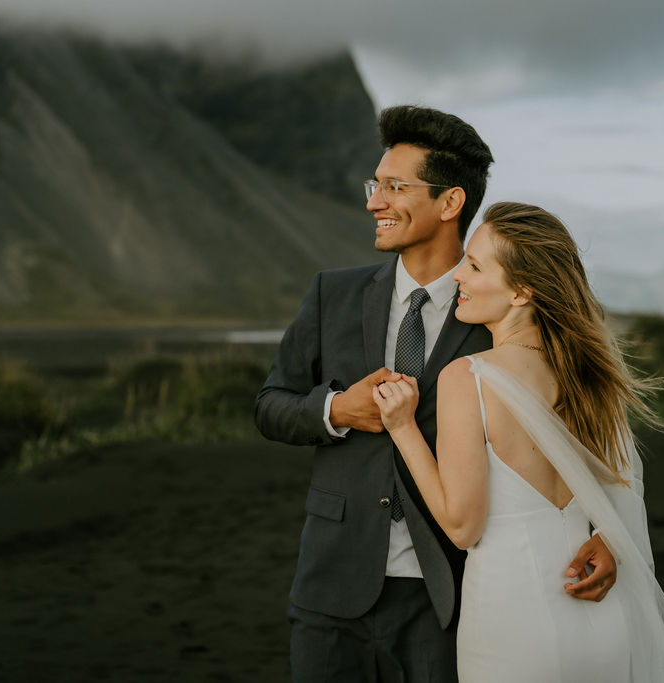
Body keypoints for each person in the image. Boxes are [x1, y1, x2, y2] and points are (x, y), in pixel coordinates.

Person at [254, 107, 618, 683]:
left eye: (395, 187)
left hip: (454, 594)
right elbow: (270, 405)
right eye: (376, 184)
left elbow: (576, 426)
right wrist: (334, 410)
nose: (374, 201)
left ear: (450, 203)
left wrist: (606, 536)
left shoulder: (501, 315)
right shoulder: (333, 294)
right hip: (333, 586)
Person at [373, 202, 664, 682]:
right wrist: (608, 538)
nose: (458, 272)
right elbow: (625, 485)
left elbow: (463, 526)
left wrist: (402, 427)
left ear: (522, 291)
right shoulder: (591, 377)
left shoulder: (469, 376)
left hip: (514, 624)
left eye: (477, 266)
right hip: (602, 617)